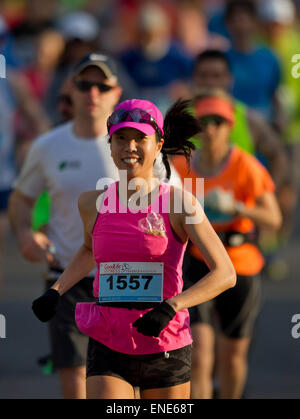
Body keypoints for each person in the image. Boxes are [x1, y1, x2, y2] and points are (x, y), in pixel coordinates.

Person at [31, 98, 236, 399]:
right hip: (109, 340)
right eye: (121, 139)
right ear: (110, 145)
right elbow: (89, 250)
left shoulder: (180, 203)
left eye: (141, 138)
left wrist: (172, 307)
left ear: (158, 144)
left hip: (165, 343)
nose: (130, 147)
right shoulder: (92, 203)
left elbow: (225, 273)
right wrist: (56, 291)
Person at [8, 52, 123, 399]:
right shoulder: (47, 146)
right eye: (85, 84)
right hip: (66, 278)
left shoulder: (135, 146)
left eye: (102, 86)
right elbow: (21, 199)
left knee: (117, 383)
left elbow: (173, 201)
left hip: (124, 279)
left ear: (116, 93)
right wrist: (26, 235)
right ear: (70, 90)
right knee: (75, 379)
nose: (93, 93)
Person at [172, 91, 282, 398]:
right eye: (204, 121)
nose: (210, 128)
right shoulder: (182, 166)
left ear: (229, 126)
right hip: (197, 261)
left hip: (239, 261)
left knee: (233, 355)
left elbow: (273, 218)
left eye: (218, 122)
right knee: (200, 351)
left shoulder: (244, 165)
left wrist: (238, 207)